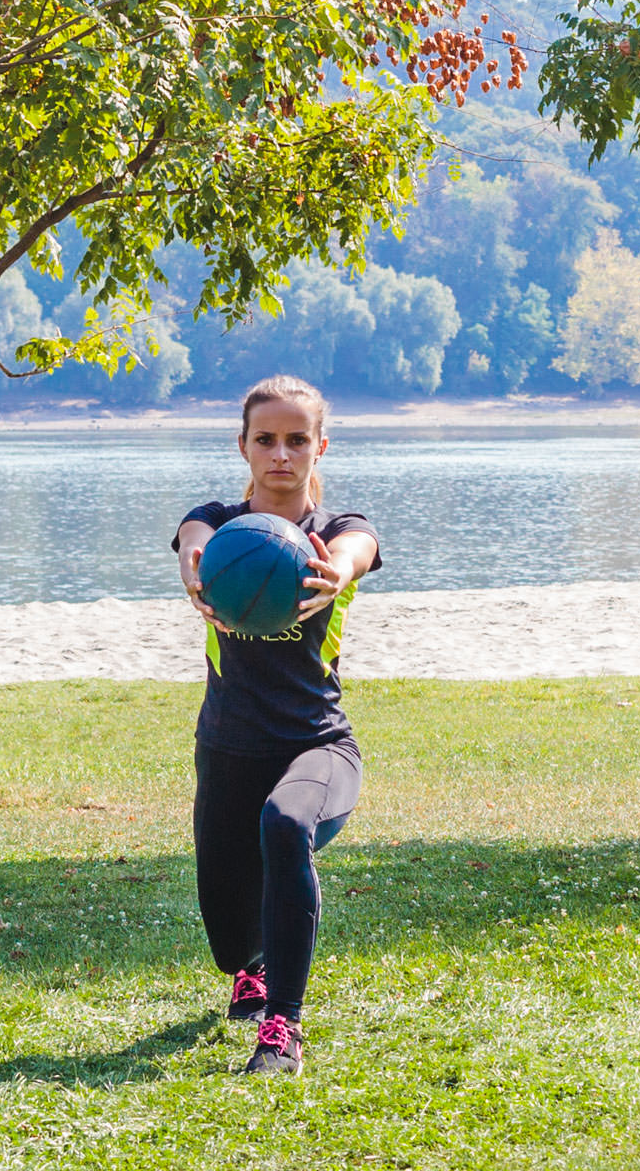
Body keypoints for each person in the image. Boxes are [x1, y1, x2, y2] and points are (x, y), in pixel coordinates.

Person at [172, 375, 380, 1076]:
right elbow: (193, 539)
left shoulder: (336, 535)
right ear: (244, 447)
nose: (281, 454)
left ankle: (283, 1029)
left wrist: (337, 572)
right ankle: (249, 969)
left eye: (297, 440)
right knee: (232, 938)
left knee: (286, 826)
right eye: (266, 440)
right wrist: (193, 563)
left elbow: (358, 549)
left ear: (320, 446)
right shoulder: (218, 527)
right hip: (228, 748)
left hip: (317, 744)